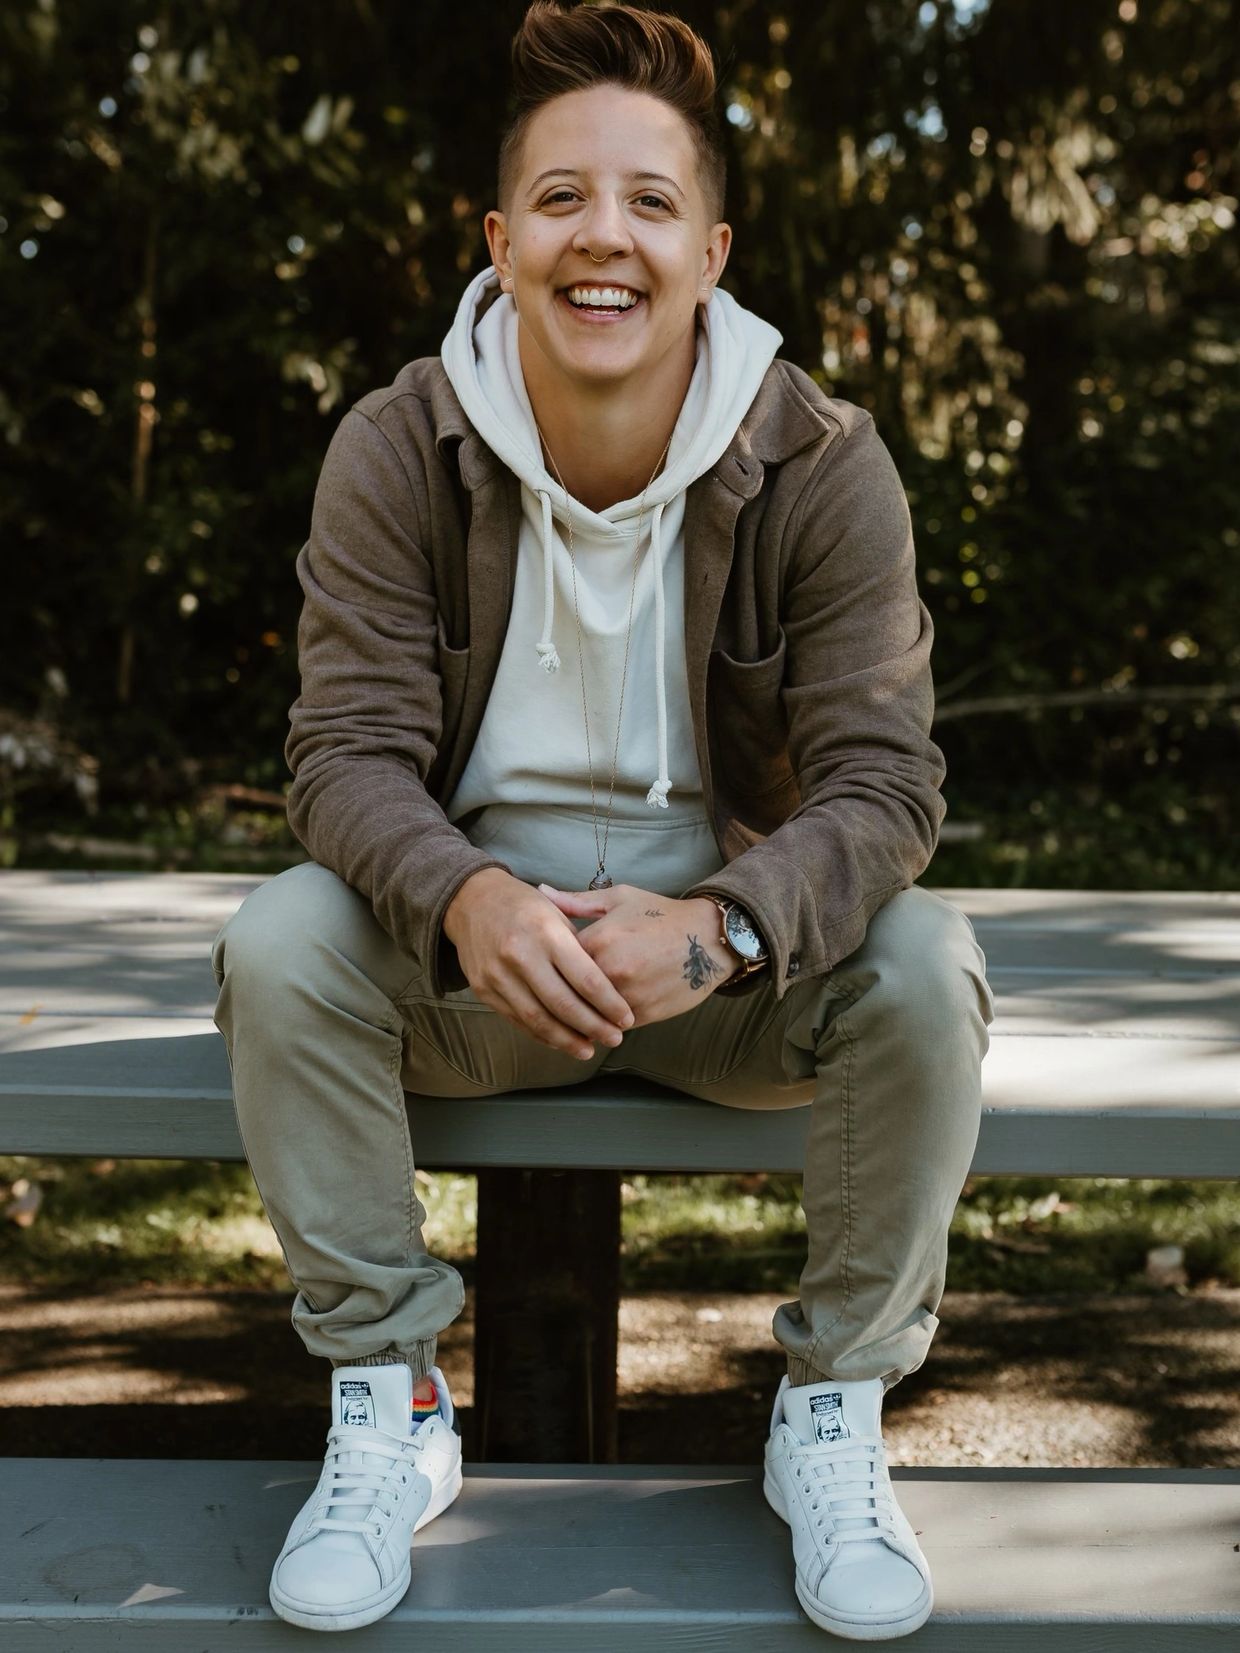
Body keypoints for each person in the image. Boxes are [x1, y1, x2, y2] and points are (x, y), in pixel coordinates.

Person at [210, 0, 994, 1638]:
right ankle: (388, 1401)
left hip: (729, 974)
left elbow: (888, 784)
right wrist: (467, 898)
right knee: (283, 939)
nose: (603, 237)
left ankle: (834, 1414)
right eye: (561, 197)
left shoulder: (824, 463)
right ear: (501, 242)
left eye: (647, 201)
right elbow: (341, 753)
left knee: (927, 967)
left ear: (711, 248)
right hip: (474, 973)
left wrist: (724, 923)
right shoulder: (397, 444)